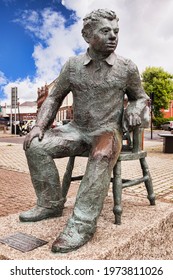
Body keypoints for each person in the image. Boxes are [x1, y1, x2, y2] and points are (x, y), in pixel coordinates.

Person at [19, 9, 149, 253]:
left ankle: (82, 224)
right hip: (76, 130)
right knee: (36, 145)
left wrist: (135, 107)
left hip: (107, 132)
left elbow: (141, 98)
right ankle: (49, 204)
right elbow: (54, 98)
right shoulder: (72, 66)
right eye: (105, 31)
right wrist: (39, 125)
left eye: (116, 32)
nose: (113, 36)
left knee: (100, 156)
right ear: (87, 35)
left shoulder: (127, 67)